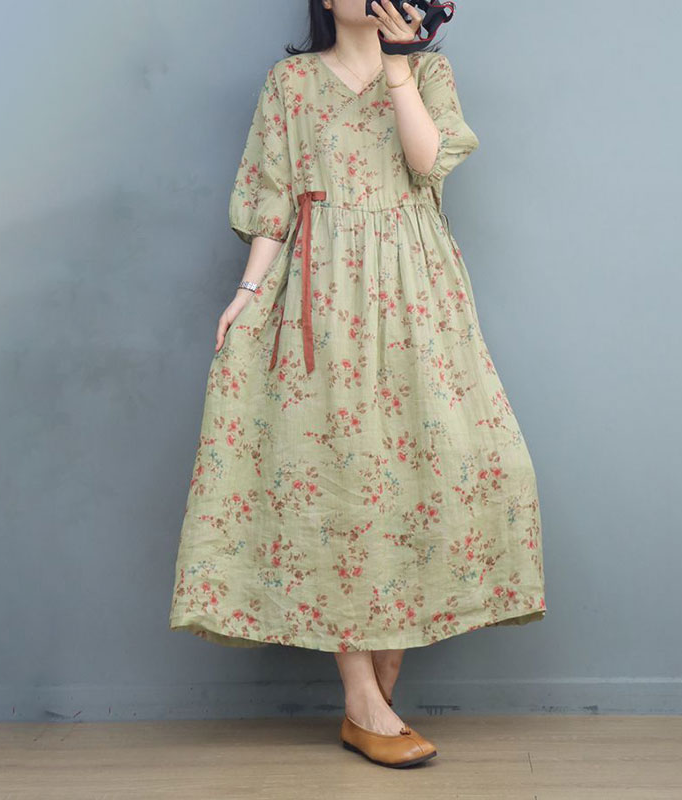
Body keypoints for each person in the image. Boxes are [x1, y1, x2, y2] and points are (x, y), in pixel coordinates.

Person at [169, 0, 546, 768]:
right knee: (335, 477)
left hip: (416, 289)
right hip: (322, 290)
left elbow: (425, 163)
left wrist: (401, 66)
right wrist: (247, 293)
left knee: (423, 473)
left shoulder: (429, 74)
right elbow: (272, 196)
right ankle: (363, 702)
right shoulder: (290, 84)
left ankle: (373, 697)